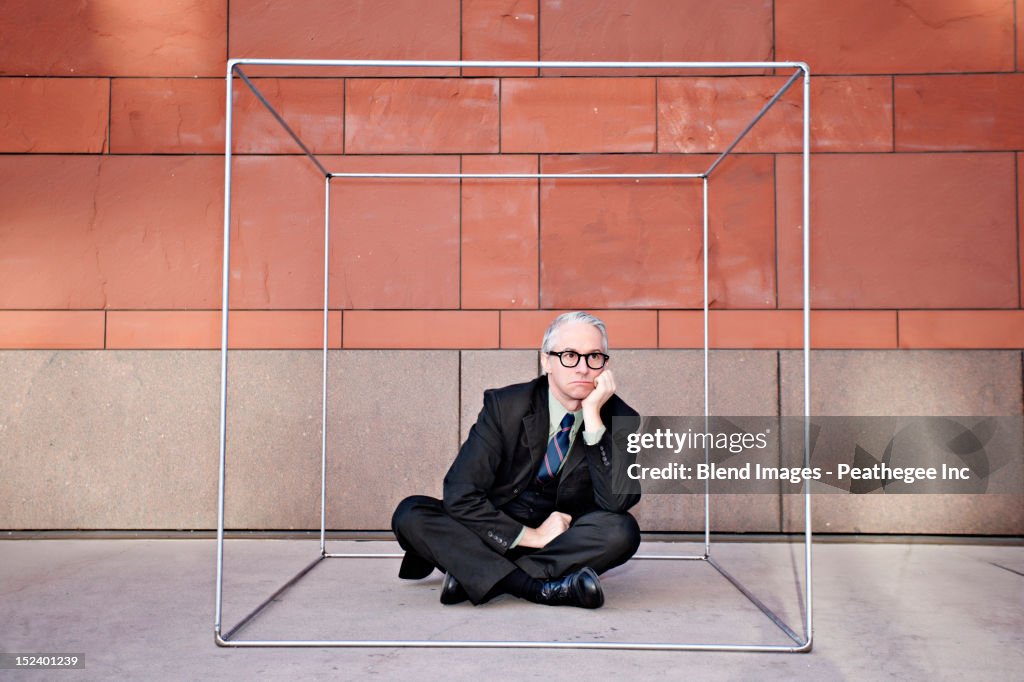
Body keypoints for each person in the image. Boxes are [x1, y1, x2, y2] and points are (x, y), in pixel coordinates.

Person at [391, 311, 641, 609]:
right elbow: (460, 492)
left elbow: (618, 502)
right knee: (411, 513)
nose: (583, 368)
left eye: (594, 357)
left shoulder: (621, 417)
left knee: (622, 531)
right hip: (493, 529)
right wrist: (532, 536)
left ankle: (473, 572)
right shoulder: (505, 406)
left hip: (560, 541)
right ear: (546, 360)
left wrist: (593, 422)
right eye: (570, 355)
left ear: (605, 365)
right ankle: (540, 589)